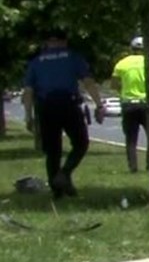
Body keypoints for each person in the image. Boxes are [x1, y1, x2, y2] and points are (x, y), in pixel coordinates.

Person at [21, 28, 105, 197]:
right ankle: (65, 174)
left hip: (46, 107)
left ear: (46, 43)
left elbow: (28, 91)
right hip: (68, 104)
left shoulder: (36, 62)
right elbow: (88, 82)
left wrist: (28, 116)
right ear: (65, 41)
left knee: (53, 151)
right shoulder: (73, 57)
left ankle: (57, 191)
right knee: (81, 143)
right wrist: (99, 105)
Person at [110, 35, 149, 173]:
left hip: (128, 105)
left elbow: (114, 84)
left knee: (131, 139)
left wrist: (123, 89)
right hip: (145, 104)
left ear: (131, 49)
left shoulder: (121, 63)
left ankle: (133, 168)